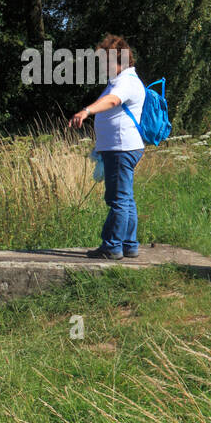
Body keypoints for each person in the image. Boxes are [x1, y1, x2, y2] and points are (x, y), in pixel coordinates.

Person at [68, 34, 145, 259]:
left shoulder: (126, 82)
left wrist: (86, 111)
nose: (101, 66)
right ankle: (129, 244)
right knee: (126, 198)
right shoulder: (122, 80)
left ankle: (112, 247)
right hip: (121, 147)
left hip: (121, 148)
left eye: (104, 61)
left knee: (118, 199)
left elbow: (112, 101)